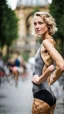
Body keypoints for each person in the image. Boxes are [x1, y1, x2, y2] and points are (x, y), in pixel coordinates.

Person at [32, 12, 64, 114]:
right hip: (48, 95)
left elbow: (61, 65)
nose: (37, 26)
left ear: (48, 25)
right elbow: (57, 68)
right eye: (35, 23)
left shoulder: (46, 42)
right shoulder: (50, 41)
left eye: (40, 23)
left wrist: (39, 80)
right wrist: (50, 79)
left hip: (41, 97)